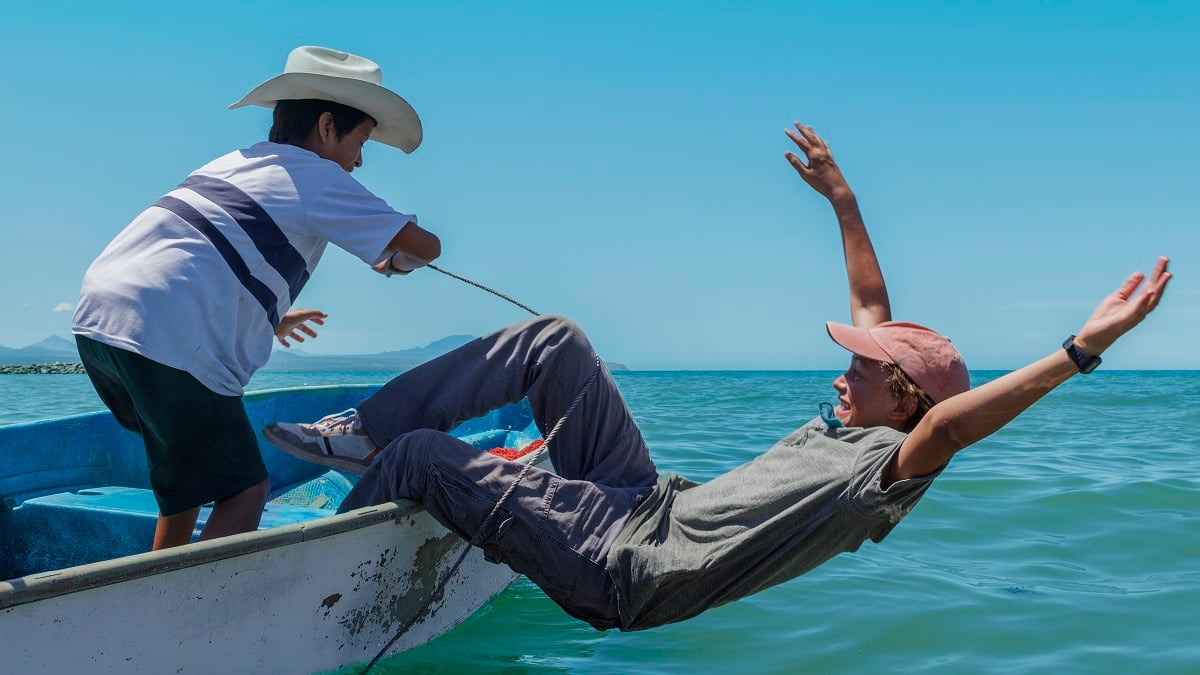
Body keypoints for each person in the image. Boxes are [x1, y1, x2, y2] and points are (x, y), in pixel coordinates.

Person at [263, 123, 1171, 632]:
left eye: (867, 368)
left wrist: (1079, 352)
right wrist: (846, 201)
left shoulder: (881, 478)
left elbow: (954, 426)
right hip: (642, 500)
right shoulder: (865, 417)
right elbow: (873, 306)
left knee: (429, 458)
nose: (845, 367)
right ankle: (366, 433)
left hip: (624, 566)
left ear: (910, 402)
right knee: (557, 339)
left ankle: (316, 580)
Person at [72, 46, 442, 550]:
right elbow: (427, 246)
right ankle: (189, 610)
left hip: (100, 320)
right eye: (361, 141)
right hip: (168, 335)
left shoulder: (236, 162)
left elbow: (201, 254)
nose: (359, 160)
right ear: (328, 127)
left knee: (184, 481)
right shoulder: (318, 176)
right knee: (245, 488)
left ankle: (161, 579)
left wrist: (272, 318)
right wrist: (396, 260)